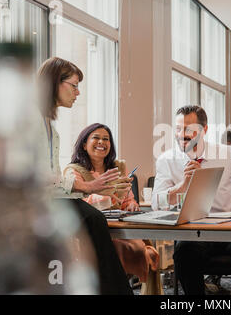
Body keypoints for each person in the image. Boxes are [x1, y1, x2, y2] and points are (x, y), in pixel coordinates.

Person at [152, 105, 231, 295]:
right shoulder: (166, 160)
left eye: (188, 129)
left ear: (205, 130)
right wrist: (183, 185)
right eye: (177, 129)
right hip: (194, 233)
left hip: (230, 230)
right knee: (184, 254)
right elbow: (157, 203)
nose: (181, 134)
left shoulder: (228, 154)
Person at [37, 57, 132, 294]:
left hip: (52, 199)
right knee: (93, 220)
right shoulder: (34, 121)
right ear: (53, 83)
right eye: (74, 85)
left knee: (94, 220)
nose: (78, 92)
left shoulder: (49, 127)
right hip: (37, 203)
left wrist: (91, 188)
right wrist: (87, 187)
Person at [63, 123, 160, 292]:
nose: (102, 142)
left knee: (141, 248)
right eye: (96, 138)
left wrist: (131, 205)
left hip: (120, 231)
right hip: (93, 234)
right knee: (117, 250)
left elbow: (128, 200)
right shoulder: (73, 172)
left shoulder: (118, 167)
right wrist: (111, 195)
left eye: (106, 139)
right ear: (84, 144)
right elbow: (81, 206)